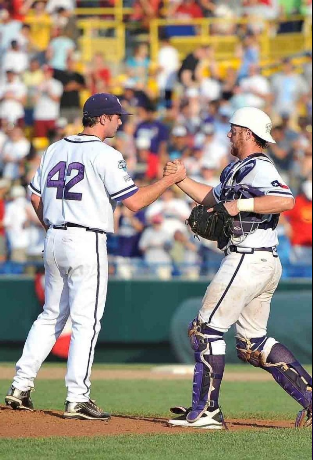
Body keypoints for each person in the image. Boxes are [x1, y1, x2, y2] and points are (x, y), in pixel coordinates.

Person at [5, 93, 186, 420]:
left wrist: (52, 225)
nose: (121, 121)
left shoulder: (54, 148)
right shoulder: (106, 154)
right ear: (102, 118)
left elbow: (34, 197)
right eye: (117, 116)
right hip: (85, 239)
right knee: (85, 320)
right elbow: (134, 203)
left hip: (54, 235)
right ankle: (77, 397)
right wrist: (169, 180)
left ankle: (20, 386)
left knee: (50, 315)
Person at [164, 106, 312, 429]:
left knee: (205, 329)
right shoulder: (237, 169)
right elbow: (213, 200)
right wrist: (182, 180)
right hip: (262, 260)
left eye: (234, 129)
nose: (229, 134)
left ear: (247, 133)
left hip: (248, 256)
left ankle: (206, 412)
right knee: (252, 343)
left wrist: (241, 204)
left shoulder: (258, 167)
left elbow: (285, 199)